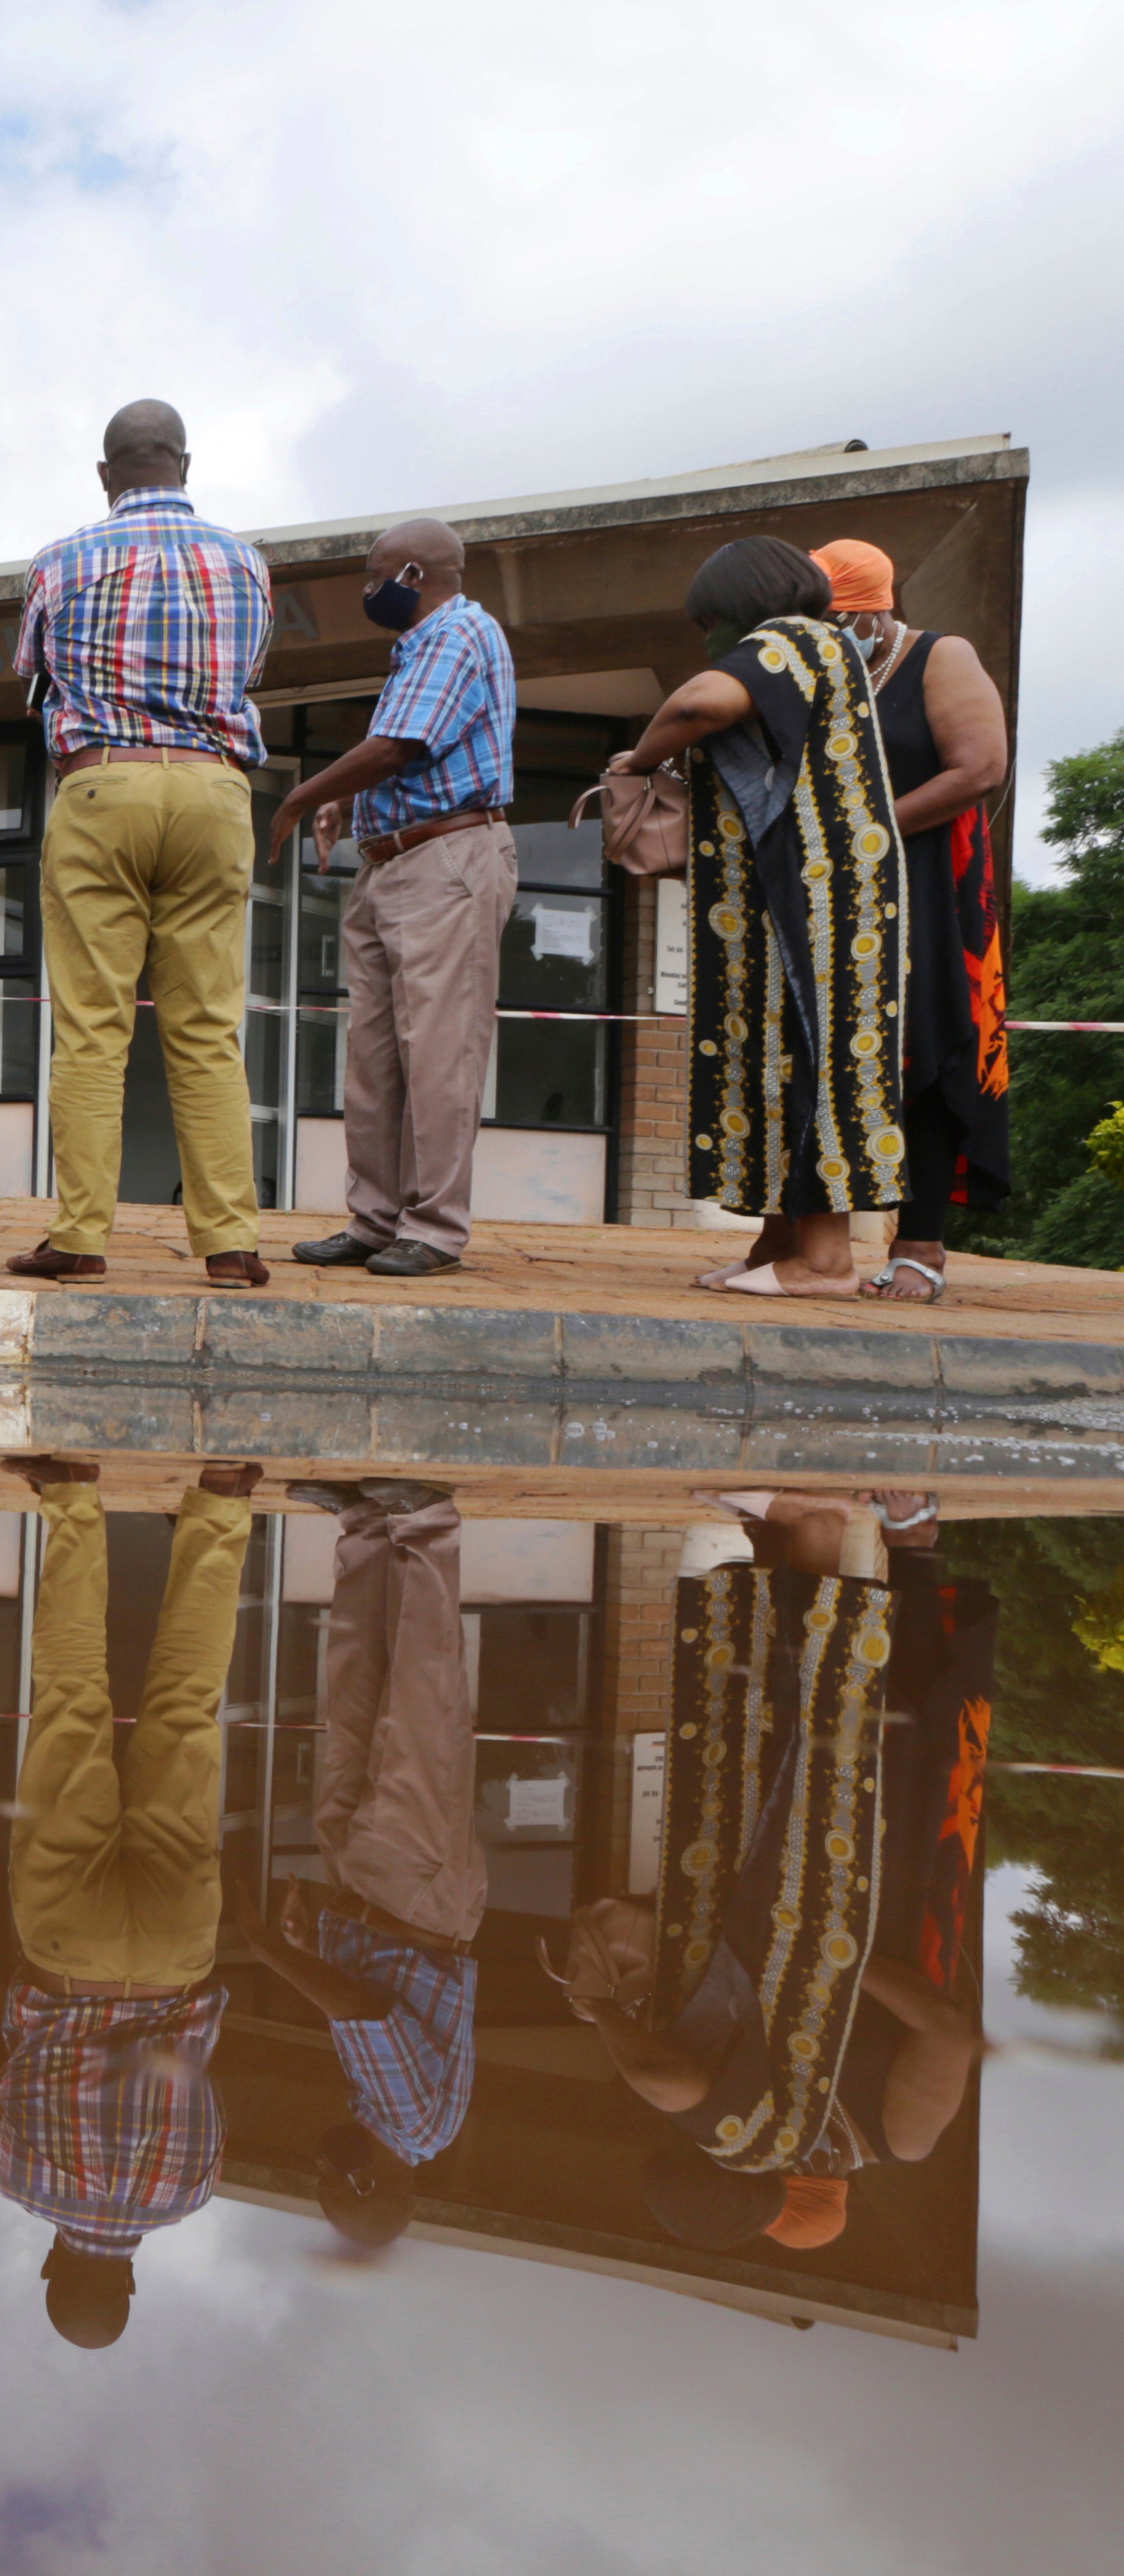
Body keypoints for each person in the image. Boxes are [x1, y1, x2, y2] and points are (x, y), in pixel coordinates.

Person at [558, 1496, 978, 2249]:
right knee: (893, 1733)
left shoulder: (755, 2110)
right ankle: (907, 1542)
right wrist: (831, 1956)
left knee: (785, 1733)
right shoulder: (890, 2138)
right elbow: (946, 2032)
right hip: (884, 1906)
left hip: (785, 1900)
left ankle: (798, 1537)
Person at [0, 1452, 255, 2346]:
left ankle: (223, 1502)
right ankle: (70, 1496)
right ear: (55, 2267)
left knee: (187, 1708)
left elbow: (205, 2081)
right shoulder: (14, 2179)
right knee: (70, 1701)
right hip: (66, 1951)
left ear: (129, 2284)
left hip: (178, 1957)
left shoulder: (196, 2189)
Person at [8, 402, 276, 1289]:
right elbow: (245, 674)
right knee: (208, 1029)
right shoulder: (247, 563)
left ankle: (81, 1234)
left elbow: (34, 676)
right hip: (211, 787)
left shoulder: (61, 559)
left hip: (104, 783)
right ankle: (231, 1243)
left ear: (106, 473)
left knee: (93, 1029)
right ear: (186, 464)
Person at [609, 537, 909, 1295]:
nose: (707, 639)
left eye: (707, 621)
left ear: (734, 607)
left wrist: (638, 760)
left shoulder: (790, 639)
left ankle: (826, 1262)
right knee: (777, 1058)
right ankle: (780, 1244)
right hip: (808, 895)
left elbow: (698, 702)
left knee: (808, 1055)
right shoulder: (823, 648)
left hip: (815, 900)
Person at [236, 1479, 485, 2250]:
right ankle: (423, 1519)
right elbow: (365, 2011)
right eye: (325, 2183)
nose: (318, 2166)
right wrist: (270, 1953)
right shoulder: (411, 2124)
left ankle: (367, 1528)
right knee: (421, 1701)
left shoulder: (387, 2114)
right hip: (418, 1897)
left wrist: (315, 1943)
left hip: (370, 1897)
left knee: (352, 1690)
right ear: (365, 2185)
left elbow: (375, 1999)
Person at [269, 518, 519, 1279]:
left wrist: (296, 798)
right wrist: (348, 804)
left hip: (447, 859)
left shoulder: (455, 635)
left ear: (413, 574)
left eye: (374, 576)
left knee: (438, 1053)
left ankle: (435, 1229)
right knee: (373, 1058)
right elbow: (405, 755)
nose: (366, 590)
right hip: (393, 863)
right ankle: (374, 1220)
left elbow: (401, 745)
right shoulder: (417, 649)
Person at [812, 539, 1013, 1305]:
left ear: (870, 611)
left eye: (835, 617)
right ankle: (814, 1242)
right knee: (830, 1056)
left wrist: (873, 834)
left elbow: (980, 767)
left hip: (928, 880)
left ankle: (920, 1242)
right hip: (835, 890)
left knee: (928, 1051)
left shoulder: (939, 656)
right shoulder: (821, 673)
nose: (825, 629)